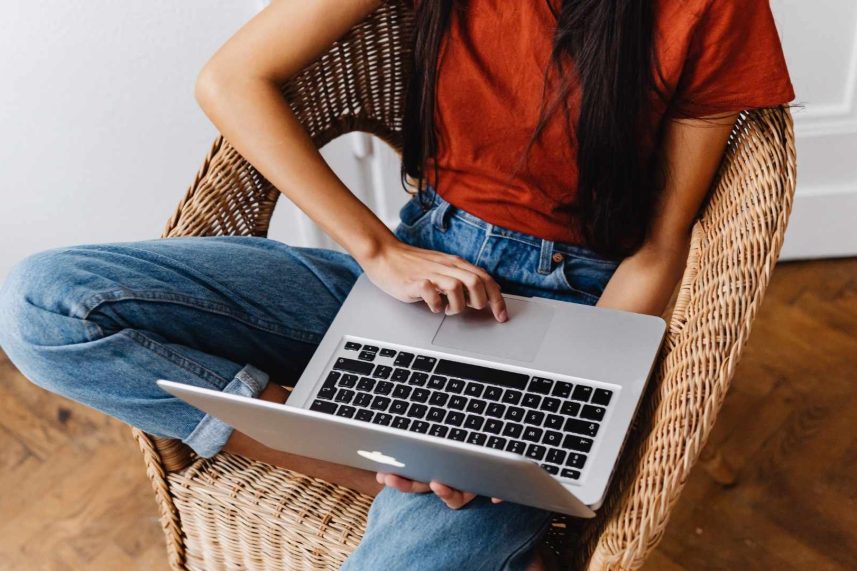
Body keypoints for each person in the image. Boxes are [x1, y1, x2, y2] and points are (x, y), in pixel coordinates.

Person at [0, 0, 793, 568]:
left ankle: (434, 463)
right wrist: (378, 248)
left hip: (573, 303)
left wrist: (532, 417)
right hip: (410, 265)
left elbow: (660, 246)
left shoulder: (716, 8)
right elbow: (231, 78)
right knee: (41, 304)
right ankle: (340, 449)